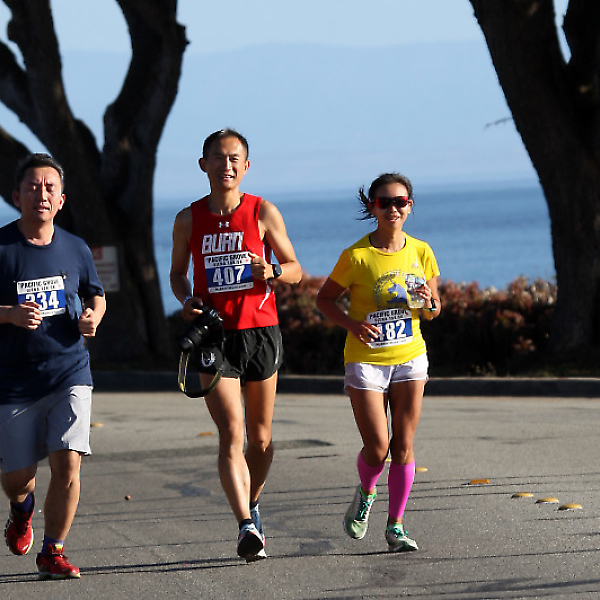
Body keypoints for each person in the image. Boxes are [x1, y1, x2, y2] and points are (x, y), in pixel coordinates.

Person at [170, 129, 301, 561]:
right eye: (218, 157)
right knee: (231, 433)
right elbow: (177, 274)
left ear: (245, 166)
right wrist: (186, 299)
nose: (225, 165)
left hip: (260, 332)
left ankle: (253, 501)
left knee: (260, 440)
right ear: (203, 164)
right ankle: (245, 524)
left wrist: (274, 272)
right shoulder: (188, 219)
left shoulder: (262, 211)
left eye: (234, 159)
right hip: (214, 336)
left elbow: (296, 268)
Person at [316, 172, 440, 552]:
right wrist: (352, 324)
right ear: (373, 207)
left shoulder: (421, 252)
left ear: (410, 207)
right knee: (378, 447)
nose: (392, 209)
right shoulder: (356, 256)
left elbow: (433, 311)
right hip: (366, 361)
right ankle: (366, 492)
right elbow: (324, 300)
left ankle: (396, 526)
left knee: (404, 445)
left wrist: (428, 302)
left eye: (400, 202)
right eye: (384, 202)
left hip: (409, 358)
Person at [0, 153, 106, 579]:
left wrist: (94, 316)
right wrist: (8, 314)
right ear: (16, 196)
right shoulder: (2, 247)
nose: (41, 194)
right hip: (13, 381)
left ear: (61, 199)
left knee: (68, 463)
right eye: (32, 186)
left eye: (49, 187)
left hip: (69, 371)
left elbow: (96, 293)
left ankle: (52, 552)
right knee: (17, 478)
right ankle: (20, 508)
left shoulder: (75, 247)